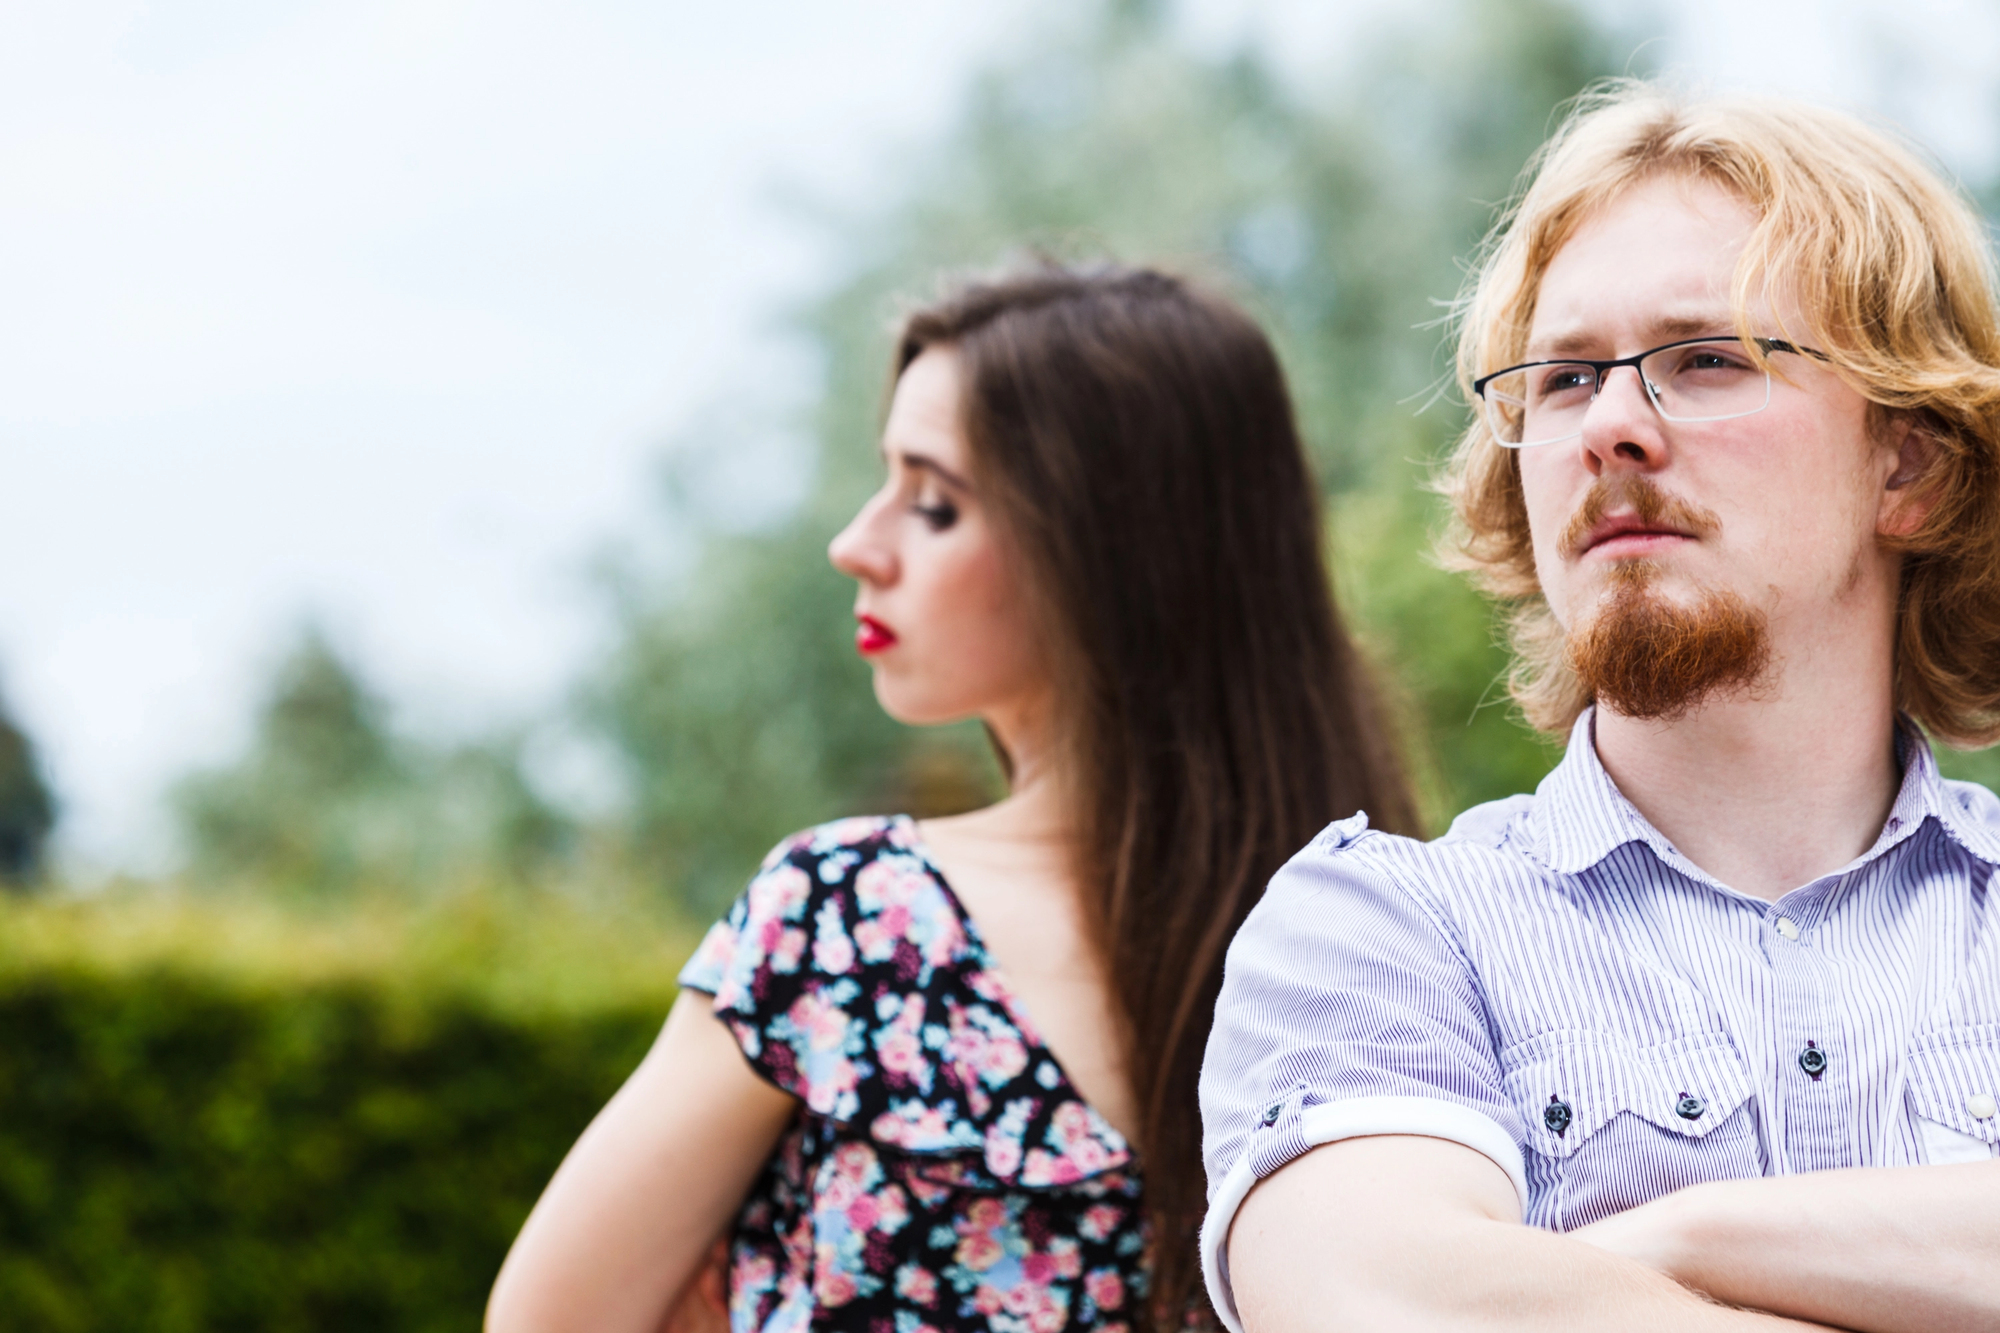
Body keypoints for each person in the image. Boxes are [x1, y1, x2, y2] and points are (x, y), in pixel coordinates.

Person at [1197, 81, 2000, 1333]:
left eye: (1705, 359)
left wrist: (1660, 1240)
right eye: (1563, 379)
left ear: (1906, 462)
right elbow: (1373, 1304)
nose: (1611, 424)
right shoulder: (1379, 933)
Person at [486, 263, 1418, 1333]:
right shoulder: (1380, 935)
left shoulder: (849, 918)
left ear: (1113, 543)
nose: (856, 544)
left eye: (933, 503)